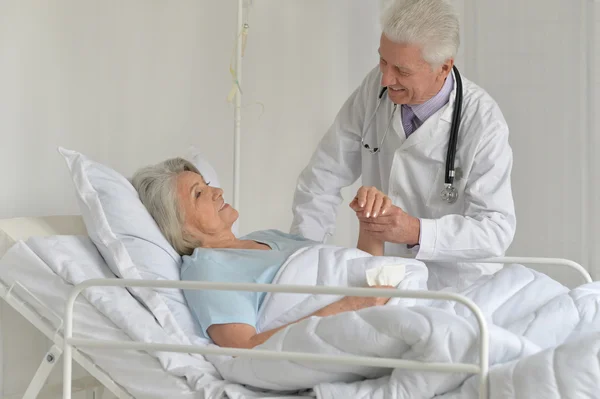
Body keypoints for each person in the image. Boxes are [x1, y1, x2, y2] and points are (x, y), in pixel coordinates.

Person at [290, 0, 517, 291]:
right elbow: (322, 177)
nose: (386, 78)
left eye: (402, 70)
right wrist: (302, 260)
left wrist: (415, 230)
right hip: (386, 279)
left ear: (444, 67)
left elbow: (496, 230)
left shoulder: (483, 122)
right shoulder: (376, 87)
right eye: (382, 60)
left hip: (459, 289)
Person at [132, 158, 393, 350]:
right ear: (178, 225)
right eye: (199, 193)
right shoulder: (206, 268)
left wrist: (371, 222)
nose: (218, 192)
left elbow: (358, 273)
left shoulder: (268, 237)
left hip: (382, 308)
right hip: (361, 328)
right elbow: (245, 349)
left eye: (207, 184)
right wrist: (351, 306)